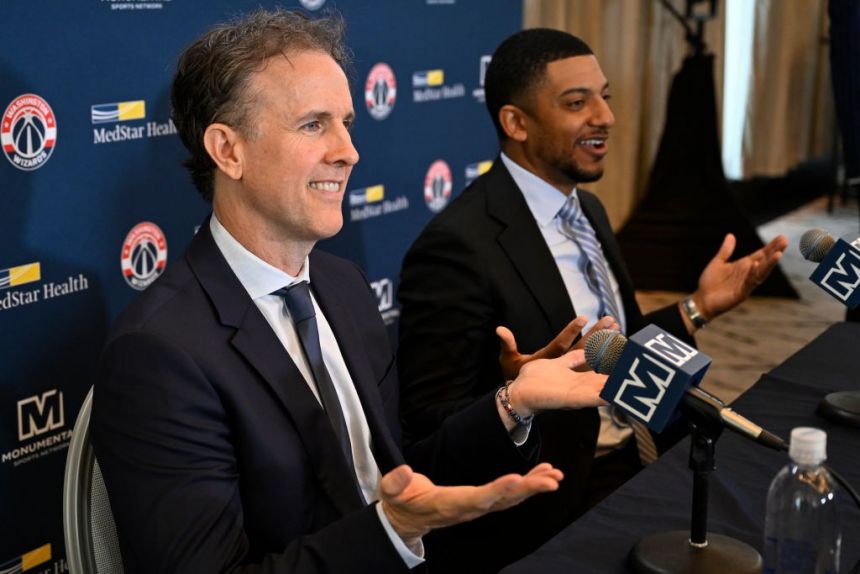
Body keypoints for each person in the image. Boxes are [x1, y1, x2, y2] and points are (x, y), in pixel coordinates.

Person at [90, 10, 611, 574]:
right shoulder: (160, 351)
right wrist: (391, 531)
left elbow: (402, 470)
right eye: (314, 124)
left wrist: (513, 403)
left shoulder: (343, 286)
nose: (348, 151)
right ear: (228, 150)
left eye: (346, 122)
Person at [397, 27, 789, 564]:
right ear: (516, 123)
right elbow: (428, 431)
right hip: (551, 499)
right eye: (577, 102)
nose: (604, 116)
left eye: (605, 96)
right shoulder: (456, 247)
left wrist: (698, 307)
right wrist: (519, 389)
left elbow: (614, 349)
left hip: (642, 451)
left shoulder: (589, 212)